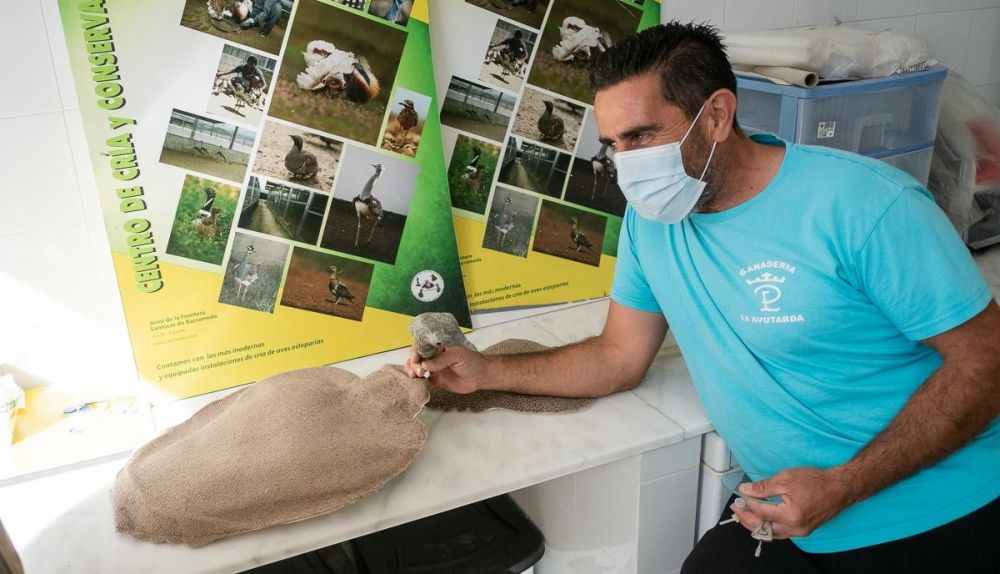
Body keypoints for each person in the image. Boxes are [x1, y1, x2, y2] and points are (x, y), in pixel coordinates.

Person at [405, 21, 1000, 573]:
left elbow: (988, 361)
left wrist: (843, 484)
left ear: (716, 115)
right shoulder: (652, 222)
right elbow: (617, 357)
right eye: (613, 143)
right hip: (786, 511)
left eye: (642, 136)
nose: (625, 165)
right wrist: (485, 371)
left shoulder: (865, 206)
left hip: (932, 506)